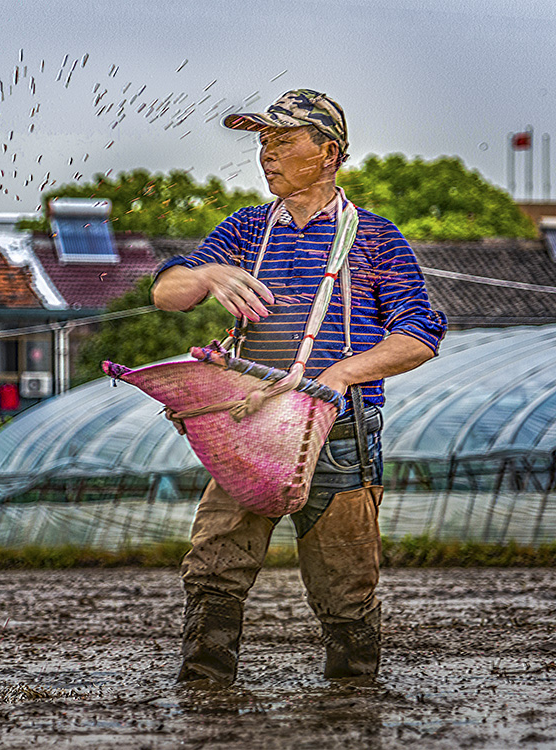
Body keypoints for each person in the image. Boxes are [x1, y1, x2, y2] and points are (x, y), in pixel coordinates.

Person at [151, 89, 447, 686]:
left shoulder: (374, 237)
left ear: (329, 152)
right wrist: (204, 274)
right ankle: (204, 693)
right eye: (262, 142)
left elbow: (420, 334)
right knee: (214, 566)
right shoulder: (247, 228)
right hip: (251, 426)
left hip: (337, 432)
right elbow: (167, 295)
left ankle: (353, 697)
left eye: (283, 141)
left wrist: (337, 376)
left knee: (345, 586)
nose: (267, 155)